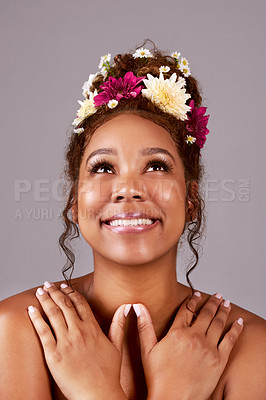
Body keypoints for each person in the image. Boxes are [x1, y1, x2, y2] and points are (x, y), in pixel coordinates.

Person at [0, 41, 265, 400]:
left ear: (191, 200)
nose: (128, 189)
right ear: (74, 203)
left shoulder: (250, 347)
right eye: (103, 167)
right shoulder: (18, 330)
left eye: (156, 166)